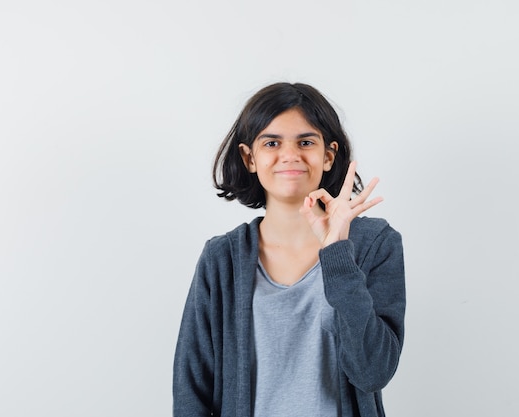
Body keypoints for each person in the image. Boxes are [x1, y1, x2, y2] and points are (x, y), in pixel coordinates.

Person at [173, 82, 406, 417]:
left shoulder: (375, 244)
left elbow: (372, 373)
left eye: (306, 142)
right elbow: (191, 389)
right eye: (271, 142)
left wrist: (338, 254)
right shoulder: (221, 258)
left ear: (328, 155)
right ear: (249, 157)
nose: (290, 155)